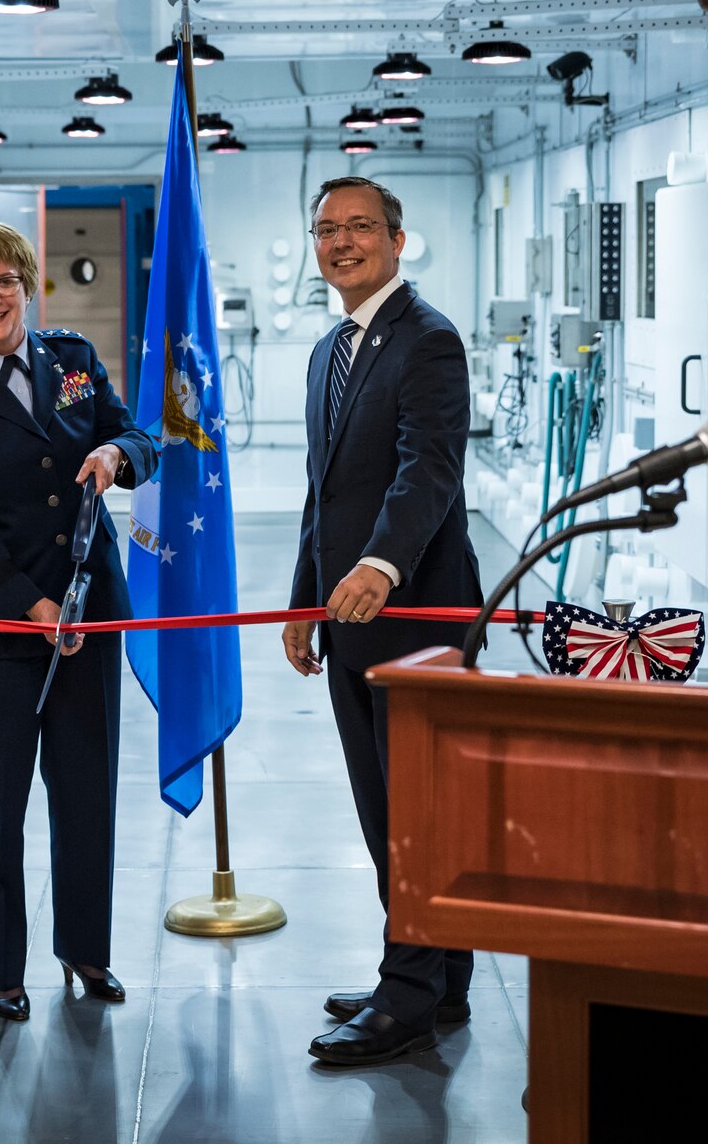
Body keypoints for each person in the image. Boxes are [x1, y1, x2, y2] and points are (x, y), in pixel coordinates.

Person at [0, 220, 158, 1023]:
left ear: (27, 283)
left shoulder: (73, 360)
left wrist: (119, 457)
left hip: (89, 611)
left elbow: (139, 434)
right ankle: (2, 971)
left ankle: (86, 951)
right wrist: (27, 603)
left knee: (86, 789)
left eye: (5, 279)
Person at [282, 176, 483, 1067]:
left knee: (414, 810)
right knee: (386, 806)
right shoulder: (332, 348)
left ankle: (407, 996)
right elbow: (323, 489)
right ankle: (440, 976)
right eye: (328, 229)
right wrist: (303, 594)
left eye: (362, 227)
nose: (343, 242)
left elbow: (427, 470)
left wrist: (379, 563)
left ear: (399, 241)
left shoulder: (429, 341)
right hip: (350, 618)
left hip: (418, 617)